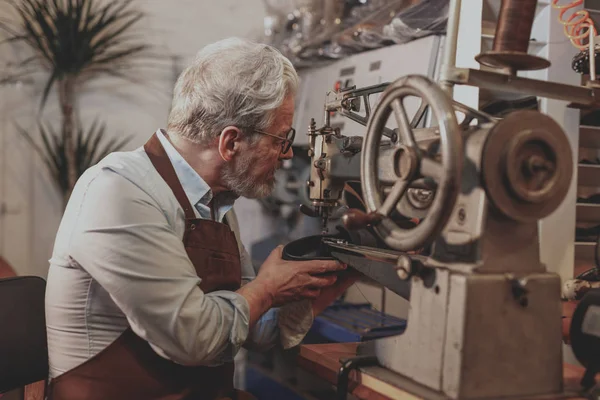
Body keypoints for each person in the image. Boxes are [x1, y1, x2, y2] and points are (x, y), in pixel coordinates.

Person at [45, 37, 359, 400]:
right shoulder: (119, 191)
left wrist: (344, 269)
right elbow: (193, 340)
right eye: (280, 138)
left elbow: (258, 330)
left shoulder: (213, 205)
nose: (287, 155)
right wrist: (267, 288)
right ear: (230, 143)